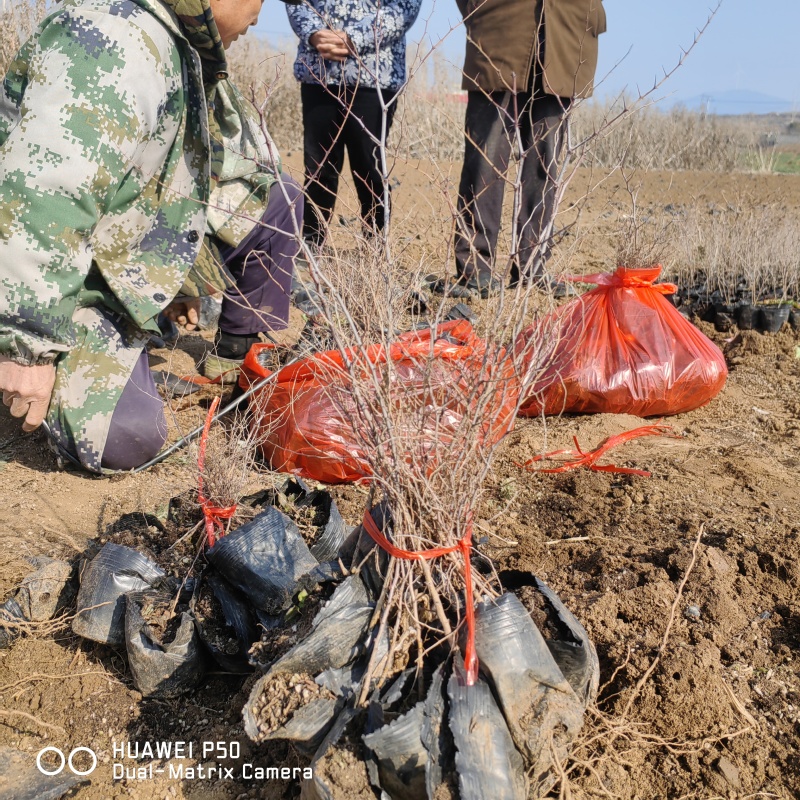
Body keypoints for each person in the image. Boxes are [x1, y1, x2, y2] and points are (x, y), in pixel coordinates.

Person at [0, 0, 302, 473]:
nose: (261, 14)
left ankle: (236, 360)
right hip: (61, 273)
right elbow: (40, 197)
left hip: (114, 243)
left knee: (277, 199)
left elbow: (205, 173)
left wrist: (178, 272)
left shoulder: (181, 42)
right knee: (126, 438)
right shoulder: (113, 39)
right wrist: (25, 345)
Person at [435, 0, 606, 298]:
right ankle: (475, 269)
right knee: (485, 157)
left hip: (567, 30)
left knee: (546, 161)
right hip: (499, 27)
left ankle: (533, 267)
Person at [286, 0, 421, 251]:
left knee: (369, 167)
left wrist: (353, 39)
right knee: (318, 167)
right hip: (318, 75)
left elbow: (405, 7)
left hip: (375, 79)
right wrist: (315, 34)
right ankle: (311, 246)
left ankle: (375, 249)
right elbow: (296, 3)